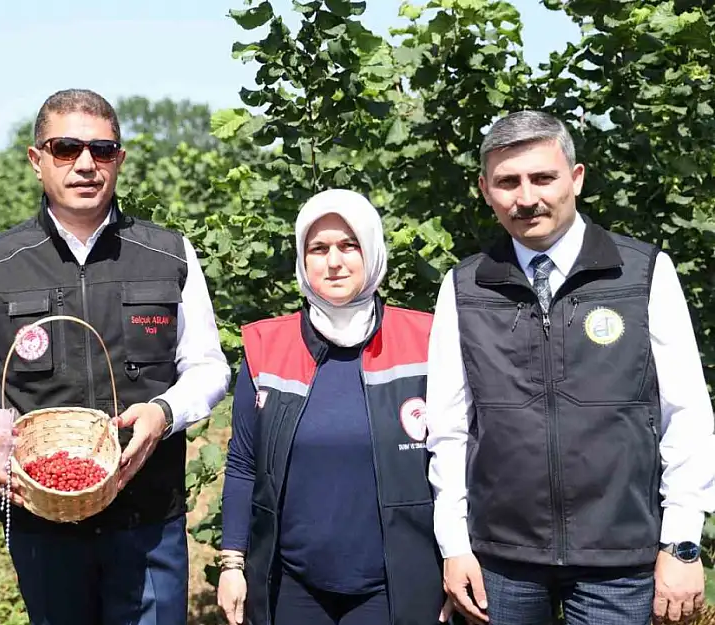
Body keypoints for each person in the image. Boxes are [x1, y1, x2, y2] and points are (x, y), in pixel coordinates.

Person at [0, 88, 231, 625]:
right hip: (42, 518)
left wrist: (165, 413)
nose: (86, 165)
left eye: (103, 150)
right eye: (66, 149)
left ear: (120, 159)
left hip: (148, 517)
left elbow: (208, 365)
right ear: (37, 160)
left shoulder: (169, 254)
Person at [426, 110, 715, 625]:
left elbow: (686, 413)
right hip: (501, 561)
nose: (526, 197)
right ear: (485, 189)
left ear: (576, 178)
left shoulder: (643, 273)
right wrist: (454, 544)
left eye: (543, 177)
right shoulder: (465, 287)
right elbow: (448, 430)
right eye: (507, 182)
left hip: (620, 559)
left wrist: (683, 541)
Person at [215, 189, 452, 625]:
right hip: (293, 586)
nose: (334, 262)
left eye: (349, 246)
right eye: (318, 249)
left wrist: (456, 556)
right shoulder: (267, 347)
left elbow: (456, 459)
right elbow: (244, 465)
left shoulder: (426, 340)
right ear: (303, 261)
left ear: (373, 251)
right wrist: (233, 563)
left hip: (395, 584)